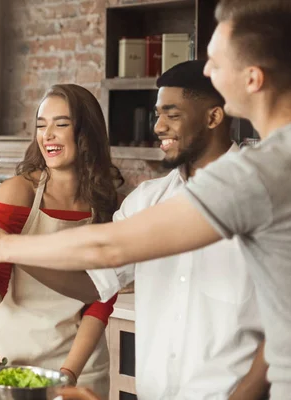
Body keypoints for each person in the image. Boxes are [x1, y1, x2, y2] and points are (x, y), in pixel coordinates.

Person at [0, 1, 291, 397]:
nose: (208, 70)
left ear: (252, 78)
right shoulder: (148, 197)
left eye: (216, 61)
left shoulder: (264, 172)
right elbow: (97, 282)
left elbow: (107, 247)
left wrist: (2, 244)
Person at [92, 60, 267, 399]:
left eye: (171, 115)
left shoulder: (264, 196)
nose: (158, 127)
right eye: (157, 114)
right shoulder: (146, 200)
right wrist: (3, 254)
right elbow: (94, 274)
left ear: (213, 117)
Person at [0, 84, 120, 397]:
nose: (47, 134)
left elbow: (101, 300)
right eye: (41, 125)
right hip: (13, 365)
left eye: (61, 124)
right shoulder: (18, 192)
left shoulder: (106, 202)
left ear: (85, 131)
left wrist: (68, 374)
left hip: (81, 365)